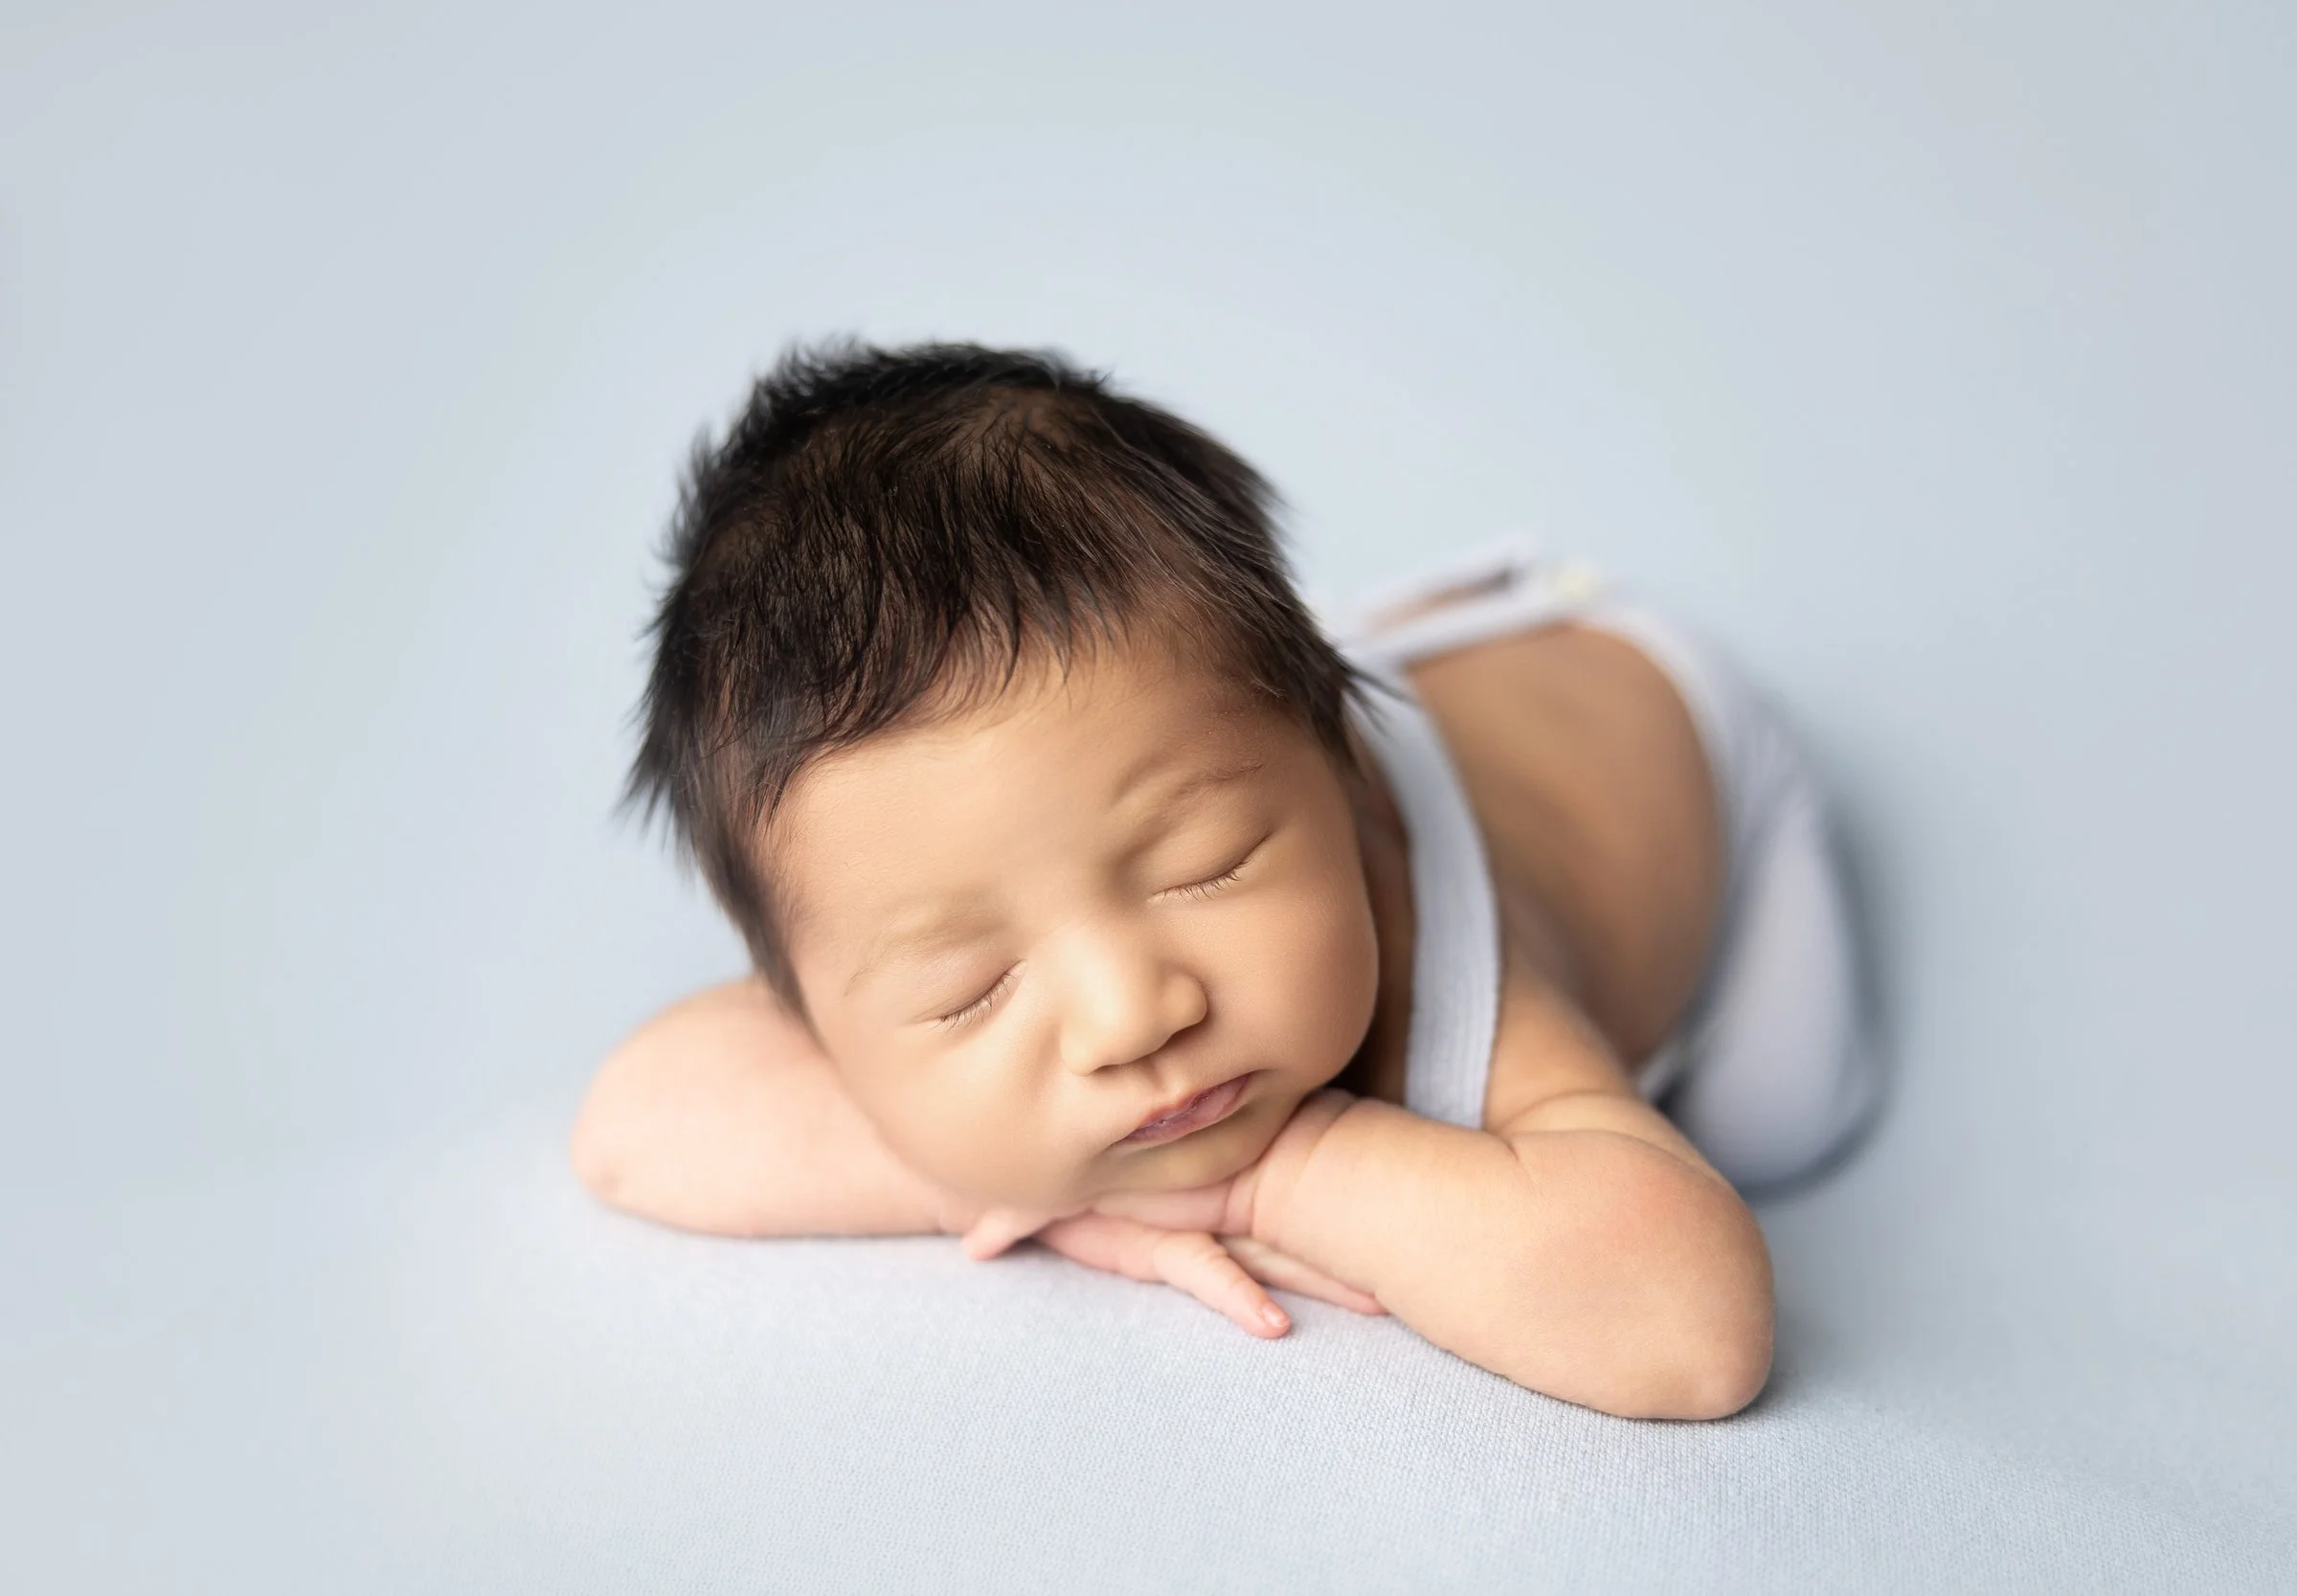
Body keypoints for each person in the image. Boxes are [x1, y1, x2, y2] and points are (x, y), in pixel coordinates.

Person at [570, 340, 1880, 1420]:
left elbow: (1693, 1327)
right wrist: (1001, 1174)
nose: (1130, 1013)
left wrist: (1280, 1176)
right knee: (1177, 713)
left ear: (1350, 792)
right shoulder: (937, 847)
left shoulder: (1446, 970)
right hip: (1275, 698)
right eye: (970, 989)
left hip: (1666, 725)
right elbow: (633, 1122)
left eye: (1205, 868)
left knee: (1778, 1122)